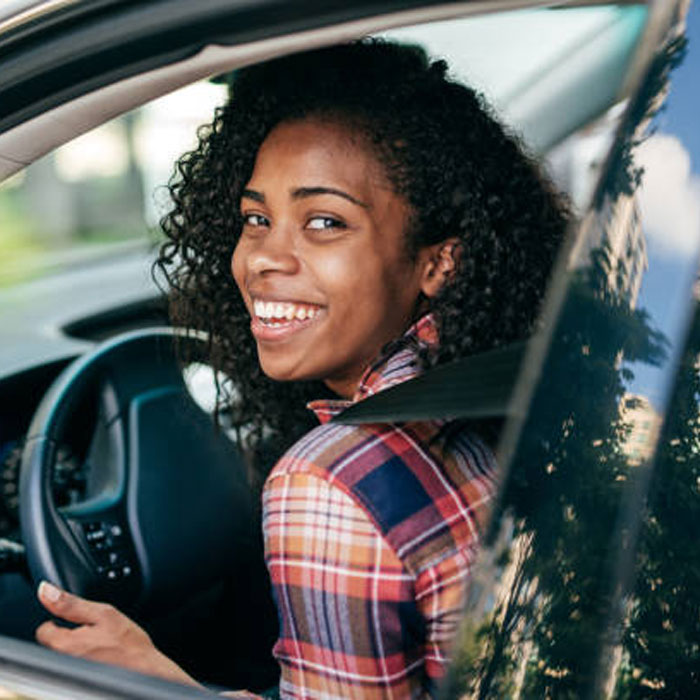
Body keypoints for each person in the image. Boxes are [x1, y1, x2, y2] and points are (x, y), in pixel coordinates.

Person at [34, 40, 567, 698]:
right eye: (257, 218)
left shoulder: (328, 484)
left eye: (323, 221)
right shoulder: (519, 385)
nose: (261, 258)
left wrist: (155, 682)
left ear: (438, 263)